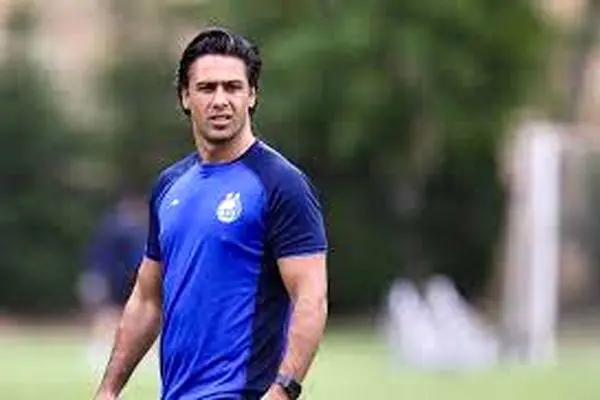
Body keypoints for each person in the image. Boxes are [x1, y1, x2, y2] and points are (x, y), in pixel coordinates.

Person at [94, 27, 329, 400]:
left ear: (252, 95)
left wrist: (283, 391)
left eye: (233, 87)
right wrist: (108, 390)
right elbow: (147, 300)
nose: (220, 100)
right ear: (185, 96)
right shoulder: (169, 185)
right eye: (207, 88)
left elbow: (311, 298)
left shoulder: (281, 184)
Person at [78, 192, 147, 371]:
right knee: (108, 313)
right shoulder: (118, 228)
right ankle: (99, 349)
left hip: (121, 277)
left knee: (116, 313)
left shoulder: (127, 227)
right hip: (113, 278)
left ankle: (106, 350)